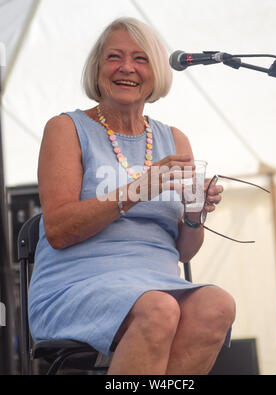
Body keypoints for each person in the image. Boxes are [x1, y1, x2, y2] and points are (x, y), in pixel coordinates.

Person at [28, 17, 235, 375]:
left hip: (159, 283)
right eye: (114, 57)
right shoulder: (66, 128)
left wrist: (193, 212)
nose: (127, 68)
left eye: (140, 59)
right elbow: (59, 230)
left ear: (156, 72)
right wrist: (141, 188)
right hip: (78, 286)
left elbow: (184, 251)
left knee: (217, 304)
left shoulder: (174, 139)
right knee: (160, 309)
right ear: (97, 69)